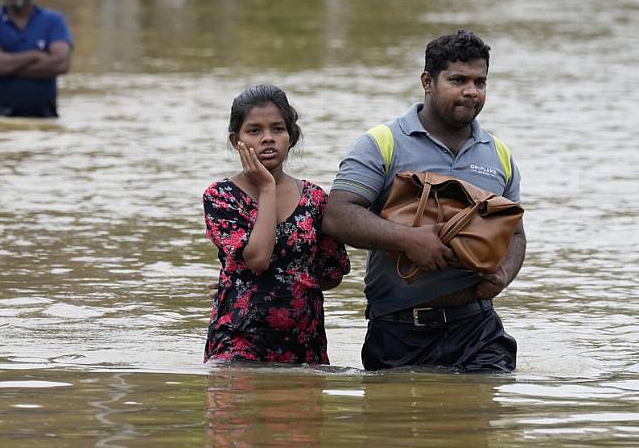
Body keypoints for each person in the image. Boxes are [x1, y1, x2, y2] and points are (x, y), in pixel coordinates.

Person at [323, 30, 526, 373]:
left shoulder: (499, 155)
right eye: (458, 80)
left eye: (480, 82)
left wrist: (503, 273)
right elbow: (337, 215)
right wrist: (409, 240)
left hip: (478, 330)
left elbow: (516, 235)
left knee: (482, 421)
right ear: (427, 81)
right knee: (398, 423)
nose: (471, 92)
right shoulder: (382, 143)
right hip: (398, 330)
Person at [203, 84, 350, 365]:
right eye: (254, 131)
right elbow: (257, 260)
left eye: (277, 129)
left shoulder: (315, 198)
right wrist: (267, 188)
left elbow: (331, 274)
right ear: (236, 141)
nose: (267, 138)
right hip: (238, 340)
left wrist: (282, 283)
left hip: (305, 345)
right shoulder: (221, 197)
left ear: (291, 137)